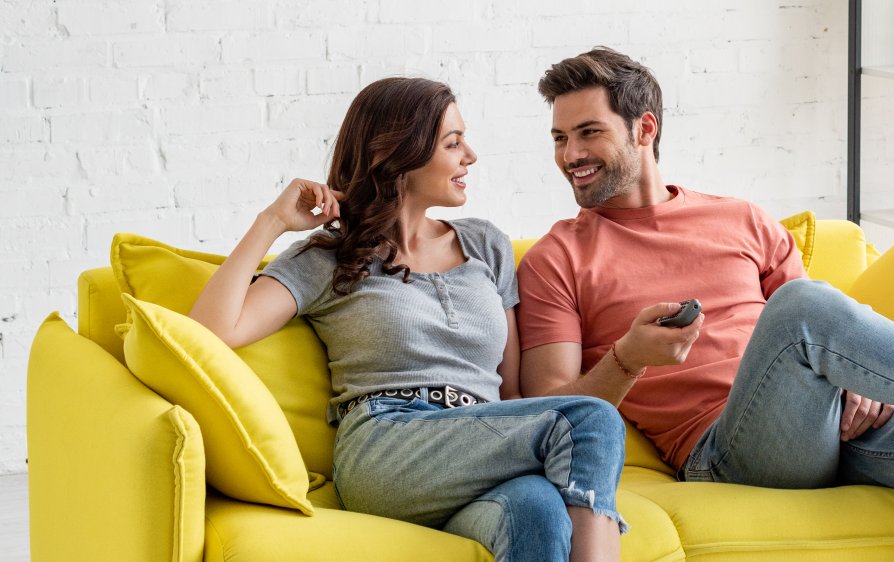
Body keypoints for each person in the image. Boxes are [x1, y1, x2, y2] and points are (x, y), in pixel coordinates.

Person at [516, 47, 894, 562]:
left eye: (589, 132)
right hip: (726, 450)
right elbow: (549, 412)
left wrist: (865, 382)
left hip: (833, 425)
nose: (570, 155)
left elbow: (840, 333)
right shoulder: (557, 259)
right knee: (799, 307)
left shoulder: (741, 219)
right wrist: (627, 358)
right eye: (560, 138)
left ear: (645, 129)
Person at [188, 76, 627, 562]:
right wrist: (271, 222)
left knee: (538, 511)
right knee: (591, 419)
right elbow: (208, 334)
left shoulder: (486, 245)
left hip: (479, 449)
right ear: (401, 154)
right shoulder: (331, 257)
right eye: (453, 143)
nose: (470, 157)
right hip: (388, 447)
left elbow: (512, 395)